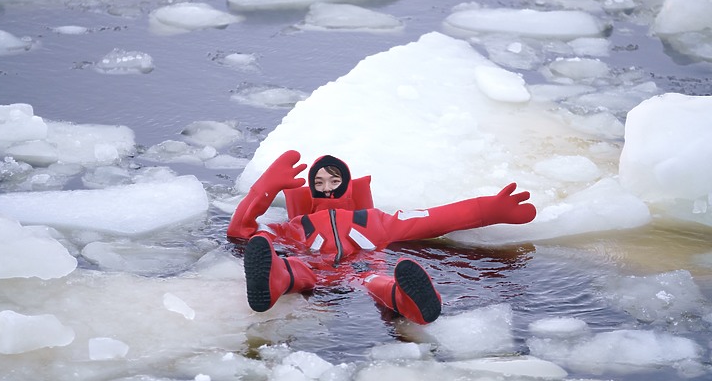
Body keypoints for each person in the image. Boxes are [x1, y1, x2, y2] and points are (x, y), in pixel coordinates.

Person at [227, 150, 536, 325]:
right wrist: (264, 187)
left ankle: (411, 301)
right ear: (310, 187)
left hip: (363, 272)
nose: (327, 187)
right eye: (319, 182)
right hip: (313, 269)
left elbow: (433, 219)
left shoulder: (376, 221)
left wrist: (490, 209)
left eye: (334, 179)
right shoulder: (295, 226)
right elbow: (241, 231)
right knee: (290, 265)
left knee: (380, 282)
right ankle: (272, 281)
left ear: (347, 183)